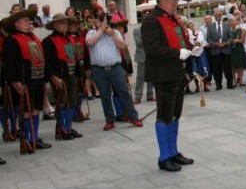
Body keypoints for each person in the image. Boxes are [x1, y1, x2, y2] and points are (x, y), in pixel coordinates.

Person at [141, 0, 198, 172]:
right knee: (164, 115)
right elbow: (152, 48)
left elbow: (181, 42)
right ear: (164, 0)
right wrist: (177, 54)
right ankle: (164, 156)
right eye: (174, 1)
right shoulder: (151, 20)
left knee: (175, 114)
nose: (176, 4)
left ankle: (173, 152)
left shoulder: (173, 20)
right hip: (163, 74)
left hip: (177, 73)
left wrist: (193, 47)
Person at [2, 9, 52, 155]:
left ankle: (34, 138)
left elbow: (42, 59)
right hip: (24, 82)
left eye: (28, 20)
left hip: (37, 80)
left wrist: (45, 79)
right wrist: (14, 81)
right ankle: (26, 139)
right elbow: (8, 63)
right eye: (24, 21)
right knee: (25, 111)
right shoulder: (11, 40)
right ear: (16, 24)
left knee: (36, 109)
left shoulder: (33, 38)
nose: (28, 23)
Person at [86, 12, 142, 131]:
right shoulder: (91, 32)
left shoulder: (115, 32)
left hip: (115, 68)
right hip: (99, 70)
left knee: (124, 93)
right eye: (101, 21)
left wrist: (112, 34)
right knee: (105, 96)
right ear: (97, 22)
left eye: (106, 21)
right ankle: (110, 120)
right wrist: (100, 31)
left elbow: (122, 46)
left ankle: (133, 117)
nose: (104, 23)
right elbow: (90, 43)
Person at [42, 13, 83, 141]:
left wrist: (76, 75)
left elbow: (73, 58)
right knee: (62, 103)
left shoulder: (68, 39)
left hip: (70, 76)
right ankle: (62, 129)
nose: (65, 25)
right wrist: (53, 77)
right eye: (61, 23)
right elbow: (46, 62)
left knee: (71, 102)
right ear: (55, 25)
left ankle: (68, 127)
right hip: (59, 77)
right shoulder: (48, 41)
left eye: (66, 23)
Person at [206, 10, 233, 89]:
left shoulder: (226, 25)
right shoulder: (210, 26)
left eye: (219, 14)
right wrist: (215, 44)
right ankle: (218, 84)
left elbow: (231, 37)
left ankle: (229, 84)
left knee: (227, 67)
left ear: (221, 16)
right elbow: (208, 38)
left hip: (226, 49)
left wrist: (226, 44)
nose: (218, 15)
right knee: (216, 68)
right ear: (214, 16)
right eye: (216, 14)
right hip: (215, 50)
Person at [133, 25, 154, 104]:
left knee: (151, 77)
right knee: (140, 77)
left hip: (150, 56)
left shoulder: (151, 29)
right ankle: (137, 96)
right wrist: (148, 38)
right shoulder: (136, 30)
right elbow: (138, 42)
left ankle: (150, 94)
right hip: (141, 57)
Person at [229, 17, 245, 87]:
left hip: (239, 49)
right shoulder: (228, 30)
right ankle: (234, 81)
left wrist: (237, 41)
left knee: (240, 65)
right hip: (230, 49)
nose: (235, 22)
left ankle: (241, 80)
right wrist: (231, 41)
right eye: (234, 21)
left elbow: (243, 40)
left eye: (236, 21)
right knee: (232, 65)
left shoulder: (240, 29)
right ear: (230, 23)